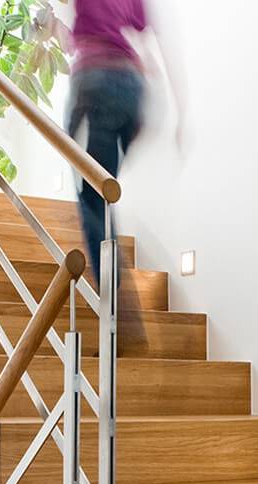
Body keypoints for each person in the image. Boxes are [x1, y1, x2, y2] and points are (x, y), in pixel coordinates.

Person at [66, 0, 182, 352]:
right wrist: (179, 111)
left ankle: (116, 304)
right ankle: (102, 175)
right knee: (102, 180)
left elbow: (68, 30)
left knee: (92, 195)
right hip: (132, 86)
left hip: (94, 78)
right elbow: (157, 44)